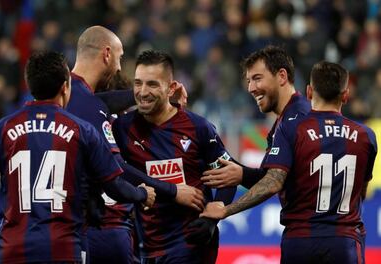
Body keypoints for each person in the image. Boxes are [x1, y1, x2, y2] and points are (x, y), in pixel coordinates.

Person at [0, 51, 156, 264]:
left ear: (30, 85)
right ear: (65, 87)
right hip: (64, 249)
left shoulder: (2, 128)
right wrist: (141, 194)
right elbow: (114, 185)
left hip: (13, 250)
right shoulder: (82, 130)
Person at [201, 61, 377, 264]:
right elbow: (361, 191)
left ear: (309, 92)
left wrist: (226, 210)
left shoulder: (293, 128)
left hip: (300, 240)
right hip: (345, 242)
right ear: (346, 95)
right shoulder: (366, 136)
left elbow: (273, 182)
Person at [66, 26, 204, 264]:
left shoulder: (71, 95)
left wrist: (143, 93)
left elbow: (97, 102)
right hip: (93, 230)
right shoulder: (85, 104)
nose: (119, 67)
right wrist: (171, 191)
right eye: (119, 57)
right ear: (107, 54)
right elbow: (116, 168)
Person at [112, 50, 237, 264]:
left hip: (190, 243)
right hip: (145, 245)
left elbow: (229, 174)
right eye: (138, 83)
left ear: (171, 88)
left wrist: (212, 218)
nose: (142, 92)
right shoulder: (122, 128)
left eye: (152, 84)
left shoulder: (198, 127)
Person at [201, 45, 311, 189]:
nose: (250, 88)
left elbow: (273, 183)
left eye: (257, 78)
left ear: (282, 76)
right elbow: (268, 177)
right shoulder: (287, 117)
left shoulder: (298, 118)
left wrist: (225, 211)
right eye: (248, 81)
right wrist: (239, 172)